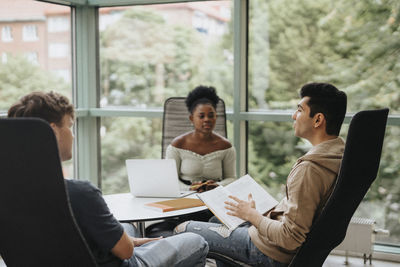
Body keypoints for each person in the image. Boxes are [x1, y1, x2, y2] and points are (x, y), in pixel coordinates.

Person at [8, 91, 209, 267]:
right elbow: (126, 252)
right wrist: (130, 243)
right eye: (70, 126)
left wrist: (128, 240)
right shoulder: (79, 193)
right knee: (195, 241)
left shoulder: (9, 192)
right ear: (52, 132)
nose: (73, 136)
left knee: (127, 228)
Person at [174, 83, 347, 266]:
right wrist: (258, 214)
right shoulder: (338, 156)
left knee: (182, 229)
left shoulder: (310, 169)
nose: (293, 116)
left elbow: (290, 238)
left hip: (270, 251)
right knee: (216, 219)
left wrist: (252, 216)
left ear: (318, 120)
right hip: (279, 242)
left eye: (299, 110)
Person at [166, 85, 236, 192]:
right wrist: (190, 188)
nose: (207, 119)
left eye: (211, 115)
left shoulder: (225, 146)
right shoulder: (177, 145)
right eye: (201, 116)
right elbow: (169, 180)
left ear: (216, 117)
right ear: (191, 118)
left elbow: (231, 178)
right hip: (185, 195)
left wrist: (217, 186)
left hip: (215, 194)